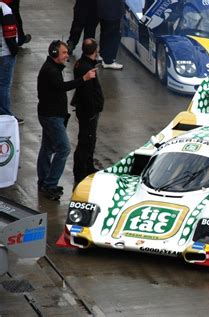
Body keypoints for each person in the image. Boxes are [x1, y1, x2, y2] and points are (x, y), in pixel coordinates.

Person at [37, 40, 96, 200]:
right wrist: (83, 79)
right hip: (52, 117)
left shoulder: (53, 68)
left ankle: (43, 180)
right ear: (54, 53)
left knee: (47, 148)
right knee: (63, 149)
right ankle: (50, 184)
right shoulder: (51, 71)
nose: (66, 56)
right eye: (64, 53)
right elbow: (62, 87)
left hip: (49, 115)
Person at [72, 38, 104, 185]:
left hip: (86, 111)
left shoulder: (82, 63)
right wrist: (92, 112)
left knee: (89, 140)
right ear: (95, 51)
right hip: (88, 113)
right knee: (85, 142)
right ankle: (81, 172)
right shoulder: (86, 68)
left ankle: (88, 167)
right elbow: (87, 93)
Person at [0, 1, 22, 123]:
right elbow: (9, 34)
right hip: (5, 53)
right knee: (4, 85)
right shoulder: (5, 10)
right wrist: (14, 50)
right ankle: (5, 114)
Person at [97, 0, 125, 70]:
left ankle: (102, 55)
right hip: (112, 11)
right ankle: (108, 61)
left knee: (105, 32)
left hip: (104, 9)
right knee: (112, 35)